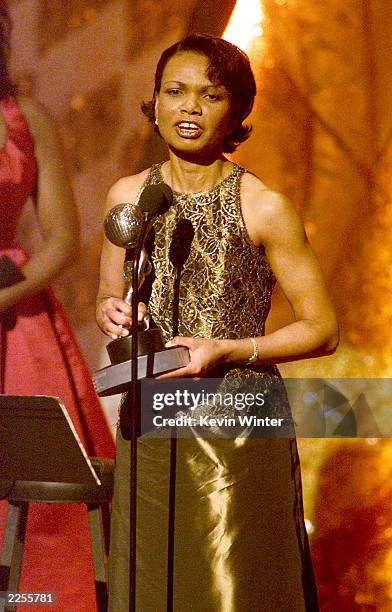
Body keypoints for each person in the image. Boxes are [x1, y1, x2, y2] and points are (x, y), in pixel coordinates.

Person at [96, 34, 338, 611]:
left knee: (230, 589)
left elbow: (321, 329)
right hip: (149, 425)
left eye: (209, 95)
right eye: (175, 92)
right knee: (152, 584)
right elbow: (108, 293)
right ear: (153, 102)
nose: (189, 108)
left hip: (236, 426)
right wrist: (112, 311)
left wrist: (227, 350)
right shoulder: (129, 198)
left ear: (236, 112)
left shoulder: (264, 206)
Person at [0, 2, 114, 610]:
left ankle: (40, 598)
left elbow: (64, 238)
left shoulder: (25, 118)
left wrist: (6, 293)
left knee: (42, 492)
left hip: (17, 319)